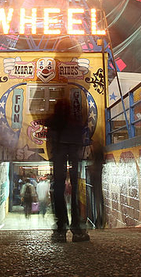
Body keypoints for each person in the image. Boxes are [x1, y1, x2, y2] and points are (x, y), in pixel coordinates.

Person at [44, 95, 90, 242]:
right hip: (73, 150)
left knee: (58, 188)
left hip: (58, 152)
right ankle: (77, 228)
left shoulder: (54, 122)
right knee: (75, 188)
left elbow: (49, 140)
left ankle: (60, 228)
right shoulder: (75, 122)